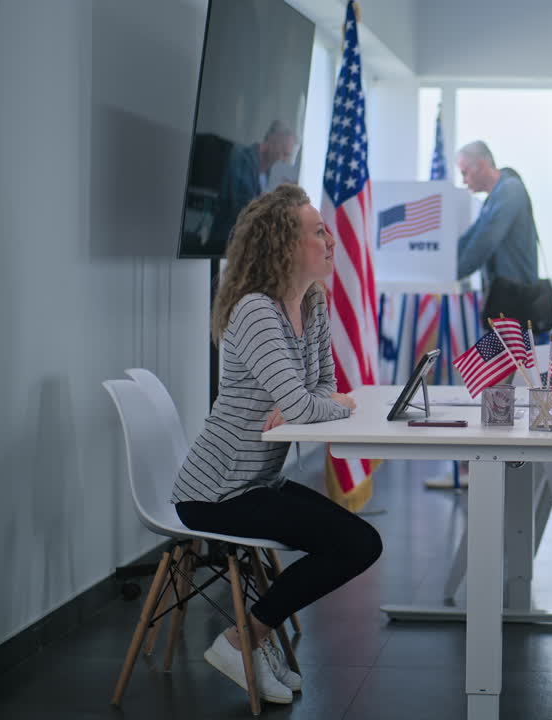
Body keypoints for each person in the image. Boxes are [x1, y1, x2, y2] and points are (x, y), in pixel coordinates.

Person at [172, 184, 383, 704]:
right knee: (356, 543)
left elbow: (320, 392)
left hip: (260, 481)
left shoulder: (310, 303)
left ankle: (252, 640)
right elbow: (321, 404)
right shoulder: (256, 312)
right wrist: (328, 405)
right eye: (317, 232)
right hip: (217, 494)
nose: (331, 239)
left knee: (357, 541)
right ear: (284, 246)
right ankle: (244, 639)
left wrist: (311, 402)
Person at [454, 140, 541, 300]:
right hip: (502, 294)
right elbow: (471, 237)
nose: (464, 181)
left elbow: (485, 241)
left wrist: (453, 273)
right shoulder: (493, 198)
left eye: (464, 172)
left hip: (517, 297)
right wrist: (441, 264)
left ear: (480, 165)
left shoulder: (510, 190)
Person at [213, 120, 299, 254]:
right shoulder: (241, 158)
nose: (285, 161)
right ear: (271, 141)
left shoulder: (270, 173)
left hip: (247, 251)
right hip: (225, 246)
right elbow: (244, 209)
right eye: (284, 153)